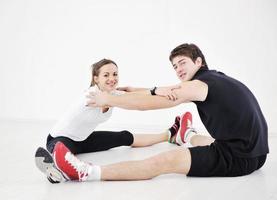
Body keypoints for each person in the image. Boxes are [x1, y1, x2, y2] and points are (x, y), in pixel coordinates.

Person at [52, 43, 269, 182]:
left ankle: (86, 173)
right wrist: (136, 89)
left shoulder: (197, 85)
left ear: (199, 61)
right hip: (257, 154)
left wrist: (107, 98)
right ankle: (187, 136)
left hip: (239, 158)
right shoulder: (214, 78)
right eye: (174, 66)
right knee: (213, 142)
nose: (178, 69)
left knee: (165, 161)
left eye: (182, 63)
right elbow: (168, 90)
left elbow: (151, 103)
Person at [35, 58, 181, 183]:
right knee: (61, 148)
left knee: (123, 136)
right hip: (59, 139)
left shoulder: (111, 93)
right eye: (106, 75)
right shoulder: (91, 95)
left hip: (83, 140)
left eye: (115, 74)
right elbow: (133, 98)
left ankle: (169, 135)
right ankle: (59, 168)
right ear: (96, 78)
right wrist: (151, 93)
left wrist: (158, 90)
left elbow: (133, 92)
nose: (112, 78)